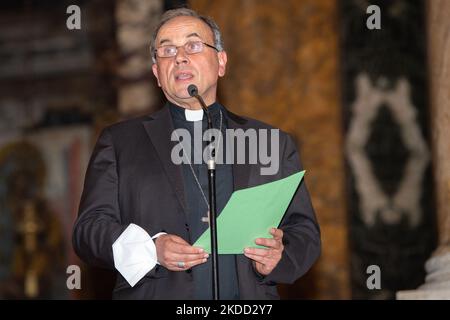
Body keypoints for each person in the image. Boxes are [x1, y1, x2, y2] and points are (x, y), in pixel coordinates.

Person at [72, 7, 320, 300]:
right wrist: (150, 248)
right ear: (157, 73)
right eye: (167, 50)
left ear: (221, 62)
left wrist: (279, 255)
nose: (179, 57)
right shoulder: (120, 143)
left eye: (193, 45)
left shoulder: (271, 142)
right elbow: (88, 231)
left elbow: (304, 231)